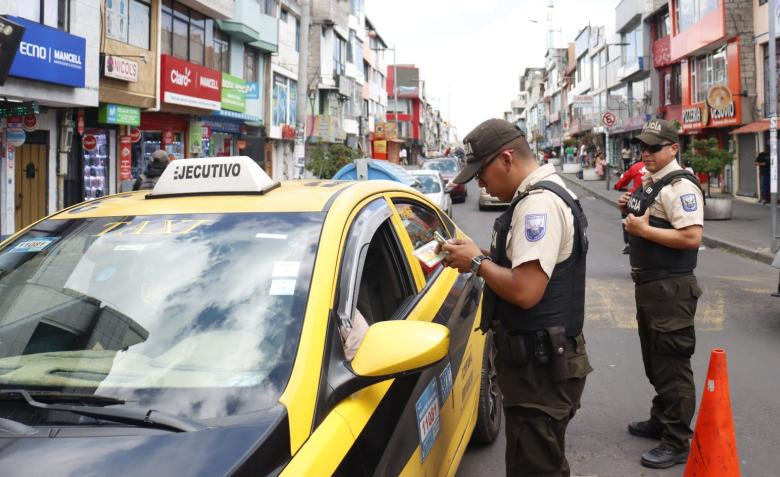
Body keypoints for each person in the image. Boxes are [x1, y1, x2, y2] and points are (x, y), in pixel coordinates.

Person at [442, 118, 591, 476]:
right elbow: (525, 263)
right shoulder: (540, 195)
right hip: (541, 364)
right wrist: (479, 253)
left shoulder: (538, 205)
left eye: (481, 173)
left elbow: (525, 291)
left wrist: (476, 263)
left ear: (507, 160)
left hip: (539, 373)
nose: (480, 183)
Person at [618, 119, 704, 469]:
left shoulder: (680, 187)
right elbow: (648, 223)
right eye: (643, 147)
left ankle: (677, 439)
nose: (646, 153)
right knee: (655, 360)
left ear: (673, 149)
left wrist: (643, 230)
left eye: (654, 147)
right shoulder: (653, 182)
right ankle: (662, 418)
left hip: (671, 288)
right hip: (651, 286)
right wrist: (628, 211)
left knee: (672, 364)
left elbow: (691, 237)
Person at [614, 159, 647, 254]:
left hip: (636, 198)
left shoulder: (636, 166)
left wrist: (617, 186)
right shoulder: (660, 167)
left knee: (625, 216)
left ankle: (628, 243)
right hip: (650, 199)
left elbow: (624, 179)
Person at [756, 137, 770, 204]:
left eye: (768, 148)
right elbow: (756, 163)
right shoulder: (761, 154)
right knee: (763, 186)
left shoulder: (771, 154)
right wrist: (761, 163)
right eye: (766, 148)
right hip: (763, 173)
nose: (767, 149)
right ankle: (763, 199)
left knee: (769, 186)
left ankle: (768, 199)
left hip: (770, 173)